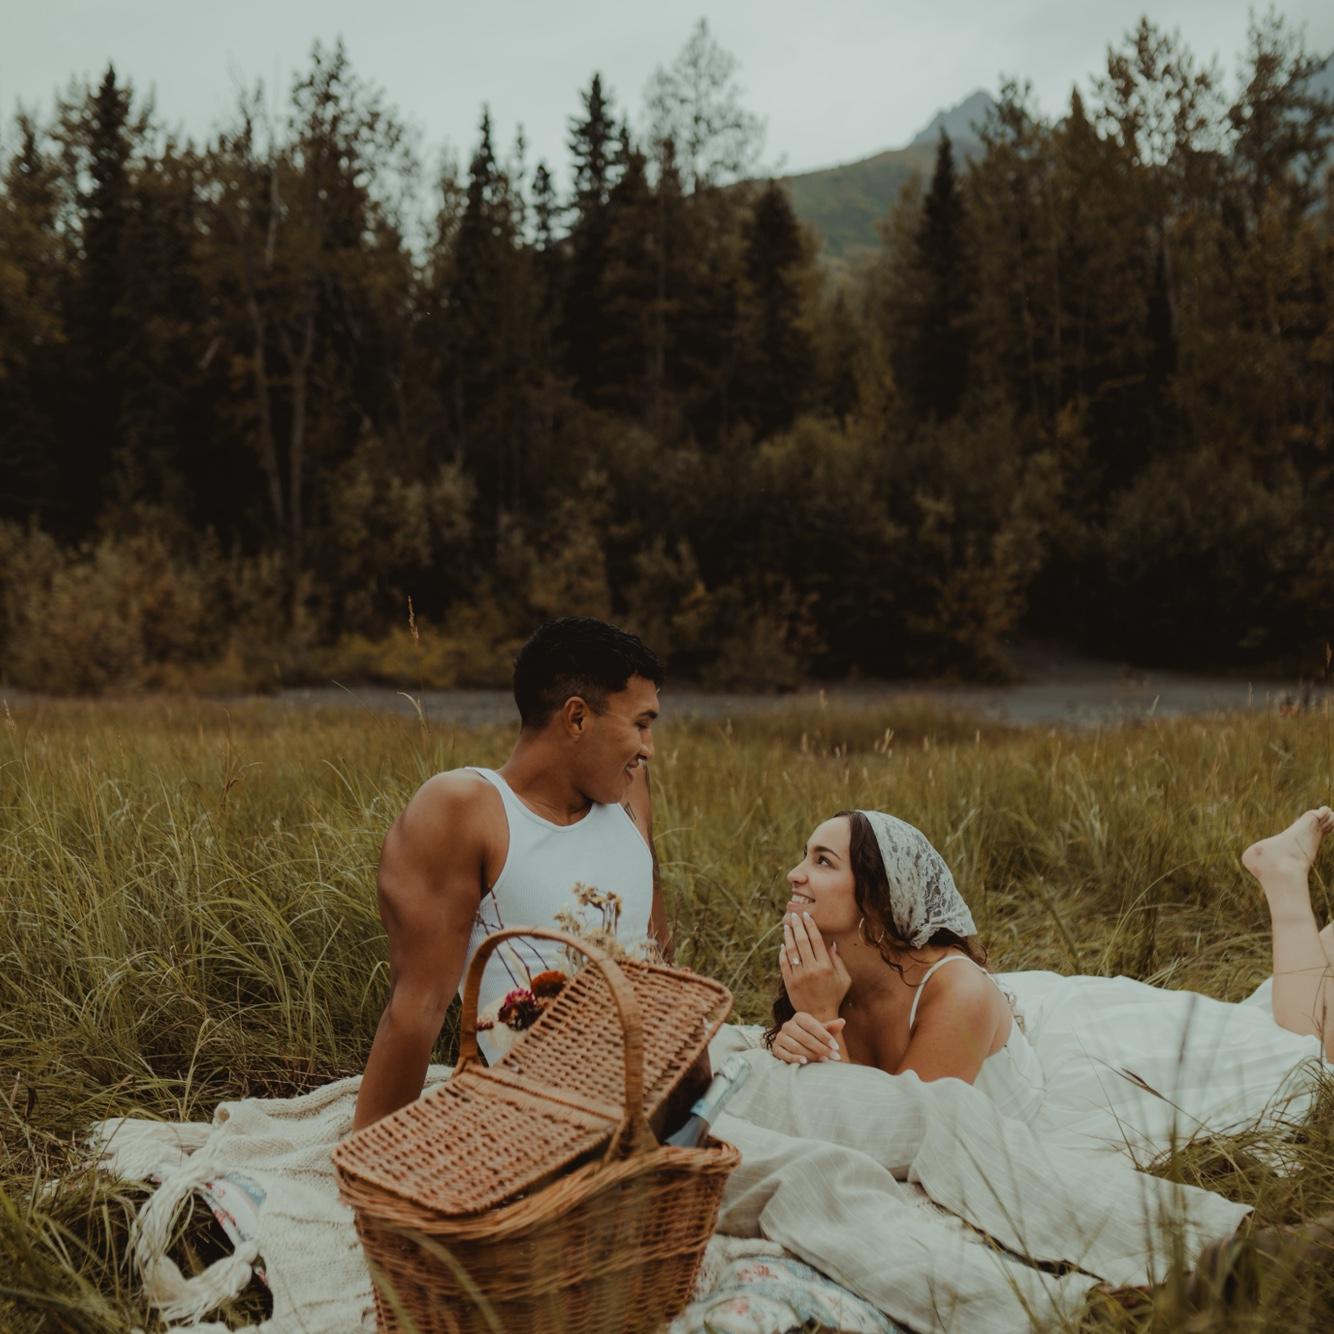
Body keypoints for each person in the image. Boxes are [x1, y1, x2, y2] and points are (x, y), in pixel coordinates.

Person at [764, 806, 1334, 1144]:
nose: (794, 873)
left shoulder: (955, 992)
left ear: (881, 896)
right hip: (1035, 1019)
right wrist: (801, 1032)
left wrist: (820, 1017)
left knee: (1302, 1049)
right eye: (805, 856)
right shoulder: (823, 972)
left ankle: (1281, 875)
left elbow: (894, 1138)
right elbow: (828, 1099)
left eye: (822, 861)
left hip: (1091, 1071)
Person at [352, 617, 668, 1132]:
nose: (648, 747)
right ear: (577, 718)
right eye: (641, 723)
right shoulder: (466, 809)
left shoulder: (630, 789)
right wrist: (369, 1158)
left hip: (667, 1075)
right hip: (556, 1108)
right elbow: (416, 1009)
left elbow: (657, 951)